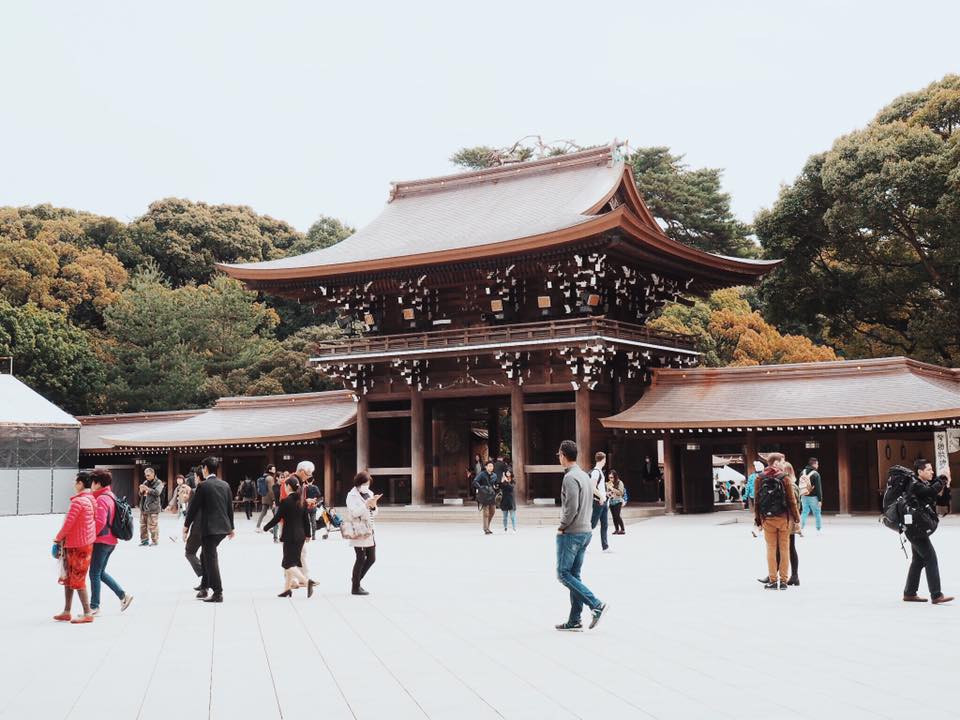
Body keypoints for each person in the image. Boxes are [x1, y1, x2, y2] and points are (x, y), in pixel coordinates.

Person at [555, 440, 608, 631]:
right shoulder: (584, 475)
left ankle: (596, 604)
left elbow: (571, 507)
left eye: (559, 455)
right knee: (574, 575)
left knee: (563, 573)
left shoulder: (570, 478)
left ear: (563, 455)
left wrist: (562, 526)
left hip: (572, 532)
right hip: (586, 530)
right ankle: (575, 619)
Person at [183, 457, 235, 603]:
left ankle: (218, 592)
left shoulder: (203, 486)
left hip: (210, 529)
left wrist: (186, 526)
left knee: (210, 559)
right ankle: (204, 586)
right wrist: (231, 527)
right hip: (223, 528)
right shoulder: (225, 485)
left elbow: (193, 508)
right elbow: (229, 507)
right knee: (205, 556)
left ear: (205, 468)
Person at [903, 459, 953, 604]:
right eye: (929, 470)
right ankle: (936, 595)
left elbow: (940, 498)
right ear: (920, 472)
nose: (932, 472)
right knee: (931, 558)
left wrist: (946, 484)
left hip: (915, 528)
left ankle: (909, 593)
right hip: (915, 530)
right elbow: (931, 491)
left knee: (918, 561)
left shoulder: (923, 484)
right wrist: (942, 478)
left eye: (932, 470)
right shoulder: (914, 484)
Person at [53, 472, 97, 623]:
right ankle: (67, 611)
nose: (73, 485)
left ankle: (87, 613)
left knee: (77, 578)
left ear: (80, 483)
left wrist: (57, 539)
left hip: (77, 545)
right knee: (70, 578)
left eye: (75, 482)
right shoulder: (91, 500)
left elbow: (68, 524)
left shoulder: (79, 502)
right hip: (83, 543)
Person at [89, 470, 134, 615]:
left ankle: (94, 606)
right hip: (110, 541)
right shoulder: (111, 495)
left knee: (94, 573)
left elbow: (100, 522)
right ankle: (123, 595)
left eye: (92, 482)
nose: (91, 485)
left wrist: (89, 536)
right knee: (100, 573)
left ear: (97, 483)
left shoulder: (102, 499)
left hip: (102, 540)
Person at [263, 476, 315, 598]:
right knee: (291, 562)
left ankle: (307, 582)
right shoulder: (302, 501)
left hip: (290, 536)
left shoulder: (286, 501)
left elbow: (277, 518)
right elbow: (306, 520)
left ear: (288, 487)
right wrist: (308, 534)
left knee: (287, 564)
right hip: (300, 536)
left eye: (285, 486)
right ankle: (287, 589)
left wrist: (265, 527)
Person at [754, 452, 800, 590]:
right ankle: (784, 581)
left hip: (768, 519)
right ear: (775, 463)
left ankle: (773, 581)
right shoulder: (784, 478)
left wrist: (758, 520)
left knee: (771, 550)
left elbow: (757, 501)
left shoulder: (759, 478)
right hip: (783, 518)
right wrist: (796, 518)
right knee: (784, 549)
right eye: (781, 461)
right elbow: (791, 500)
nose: (783, 464)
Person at [346, 471, 381, 595]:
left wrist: (373, 506)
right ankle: (355, 587)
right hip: (359, 528)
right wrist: (366, 505)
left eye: (368, 483)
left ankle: (356, 579)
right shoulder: (351, 496)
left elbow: (375, 512)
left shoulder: (369, 493)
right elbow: (354, 513)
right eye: (365, 483)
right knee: (360, 558)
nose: (367, 486)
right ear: (359, 483)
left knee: (371, 558)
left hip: (369, 529)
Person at [183, 468, 205, 592]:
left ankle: (205, 576)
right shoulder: (214, 487)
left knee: (189, 552)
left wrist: (185, 529)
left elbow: (191, 512)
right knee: (206, 555)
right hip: (212, 527)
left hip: (198, 527)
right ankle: (205, 582)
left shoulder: (195, 491)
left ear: (197, 477)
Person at [590, 451, 610, 552]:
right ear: (603, 460)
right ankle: (581, 545)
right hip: (598, 501)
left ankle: (605, 547)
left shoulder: (600, 471)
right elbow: (593, 487)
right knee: (592, 524)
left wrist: (605, 494)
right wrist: (601, 496)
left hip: (603, 501)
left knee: (605, 524)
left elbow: (599, 487)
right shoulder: (596, 472)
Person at [138, 466, 163, 546]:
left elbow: (157, 493)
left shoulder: (159, 482)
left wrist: (147, 489)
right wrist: (141, 491)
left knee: (153, 525)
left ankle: (155, 541)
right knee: (143, 525)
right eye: (145, 475)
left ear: (153, 474)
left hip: (153, 507)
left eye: (148, 475)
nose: (146, 477)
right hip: (143, 507)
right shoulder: (145, 482)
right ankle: (144, 541)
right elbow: (140, 494)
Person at [472, 459, 498, 535]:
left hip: (491, 494)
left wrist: (496, 487)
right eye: (489, 466)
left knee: (492, 511)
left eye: (492, 466)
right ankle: (485, 528)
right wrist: (481, 488)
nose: (491, 467)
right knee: (486, 512)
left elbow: (495, 484)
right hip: (484, 494)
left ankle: (487, 526)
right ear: (486, 467)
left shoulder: (494, 475)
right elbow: (475, 481)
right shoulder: (482, 474)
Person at [798, 458, 824, 532]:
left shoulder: (802, 472)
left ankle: (801, 526)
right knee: (817, 512)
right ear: (814, 464)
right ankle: (818, 528)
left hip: (804, 495)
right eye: (817, 464)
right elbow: (818, 488)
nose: (818, 465)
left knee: (804, 511)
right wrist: (820, 499)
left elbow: (799, 484)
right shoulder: (816, 474)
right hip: (813, 497)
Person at [607, 470, 626, 535]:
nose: (610, 479)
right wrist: (608, 493)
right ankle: (617, 529)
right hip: (611, 501)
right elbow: (608, 492)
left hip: (618, 501)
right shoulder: (609, 483)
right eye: (609, 477)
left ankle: (622, 529)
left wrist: (612, 489)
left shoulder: (620, 482)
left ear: (615, 476)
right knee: (614, 516)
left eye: (612, 477)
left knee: (617, 515)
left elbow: (621, 493)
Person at [304, 475, 322, 540]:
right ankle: (314, 535)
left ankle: (307, 535)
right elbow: (319, 495)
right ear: (313, 480)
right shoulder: (315, 487)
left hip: (306, 506)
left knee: (306, 521)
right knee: (313, 521)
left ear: (306, 480)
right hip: (313, 505)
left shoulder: (304, 488)